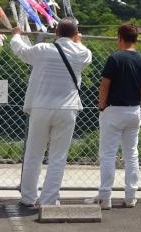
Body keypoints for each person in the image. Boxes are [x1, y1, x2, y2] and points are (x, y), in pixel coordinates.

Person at [11, 18, 91, 208]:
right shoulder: (82, 52)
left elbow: (20, 50)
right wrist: (77, 39)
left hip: (40, 106)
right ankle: (48, 199)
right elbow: (84, 51)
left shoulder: (42, 50)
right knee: (58, 157)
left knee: (33, 154)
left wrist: (16, 35)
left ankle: (28, 197)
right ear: (75, 35)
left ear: (55, 34)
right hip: (67, 109)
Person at [89, 23, 141, 209]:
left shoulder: (115, 59)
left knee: (108, 154)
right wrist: (138, 101)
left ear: (120, 38)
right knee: (131, 154)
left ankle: (105, 196)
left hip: (113, 110)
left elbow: (105, 85)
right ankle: (131, 195)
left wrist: (102, 105)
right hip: (134, 110)